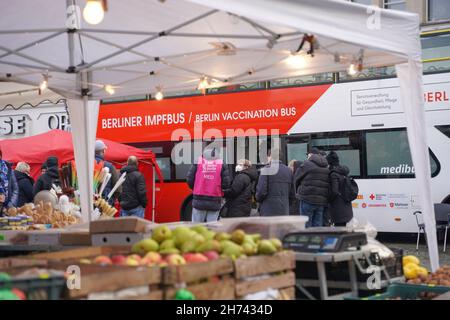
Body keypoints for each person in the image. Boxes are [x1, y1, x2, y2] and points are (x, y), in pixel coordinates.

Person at [186, 146, 231, 223]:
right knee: (213, 227)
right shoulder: (221, 163)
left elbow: (189, 180)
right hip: (215, 200)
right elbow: (226, 184)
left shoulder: (198, 161)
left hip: (199, 199)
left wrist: (197, 187)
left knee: (196, 227)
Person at [295, 148, 329, 227]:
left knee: (306, 225)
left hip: (307, 199)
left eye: (308, 155)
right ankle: (318, 239)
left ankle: (308, 239)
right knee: (318, 226)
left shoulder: (307, 164)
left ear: (310, 155)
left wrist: (297, 192)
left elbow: (296, 178)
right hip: (321, 201)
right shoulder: (325, 165)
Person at [256, 148, 294, 216]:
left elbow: (261, 191)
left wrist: (258, 200)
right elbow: (292, 193)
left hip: (268, 210)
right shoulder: (288, 171)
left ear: (270, 156)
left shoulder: (266, 170)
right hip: (284, 209)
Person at [326, 151, 353, 227]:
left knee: (338, 229)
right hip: (346, 205)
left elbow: (334, 191)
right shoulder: (343, 172)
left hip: (338, 207)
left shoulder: (334, 174)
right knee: (342, 228)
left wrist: (329, 199)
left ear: (330, 163)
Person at [95, 140, 121, 205]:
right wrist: (111, 199)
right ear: (103, 151)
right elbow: (118, 189)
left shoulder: (86, 166)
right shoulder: (110, 166)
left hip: (88, 203)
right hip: (105, 204)